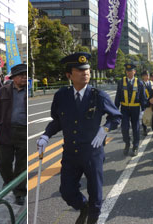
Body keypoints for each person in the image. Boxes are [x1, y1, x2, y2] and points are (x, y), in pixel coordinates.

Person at [36, 52, 121, 224]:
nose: (86, 73)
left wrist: (105, 129)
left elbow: (116, 117)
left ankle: (92, 218)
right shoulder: (62, 95)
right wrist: (46, 134)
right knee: (66, 191)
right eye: (80, 70)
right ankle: (84, 207)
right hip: (70, 153)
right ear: (69, 75)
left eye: (88, 70)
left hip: (92, 152)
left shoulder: (98, 96)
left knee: (95, 192)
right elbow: (57, 120)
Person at [0, 64, 27, 205]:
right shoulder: (3, 91)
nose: (24, 77)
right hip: (6, 130)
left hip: (24, 131)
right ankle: (10, 182)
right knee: (2, 162)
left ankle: (20, 192)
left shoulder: (29, 91)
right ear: (13, 78)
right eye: (21, 75)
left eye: (26, 74)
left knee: (22, 165)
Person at [114, 63, 147, 156]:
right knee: (124, 128)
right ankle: (127, 143)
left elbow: (143, 97)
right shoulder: (121, 82)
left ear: (134, 72)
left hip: (135, 109)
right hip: (124, 108)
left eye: (131, 71)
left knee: (136, 128)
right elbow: (117, 97)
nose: (129, 73)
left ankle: (135, 146)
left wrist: (144, 110)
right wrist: (115, 110)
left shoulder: (139, 83)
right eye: (127, 71)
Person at [140, 70, 153, 135]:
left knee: (152, 115)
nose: (147, 77)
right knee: (144, 116)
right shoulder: (140, 83)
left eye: (148, 75)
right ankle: (144, 129)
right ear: (143, 76)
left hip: (151, 102)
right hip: (144, 102)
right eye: (146, 75)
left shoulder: (151, 83)